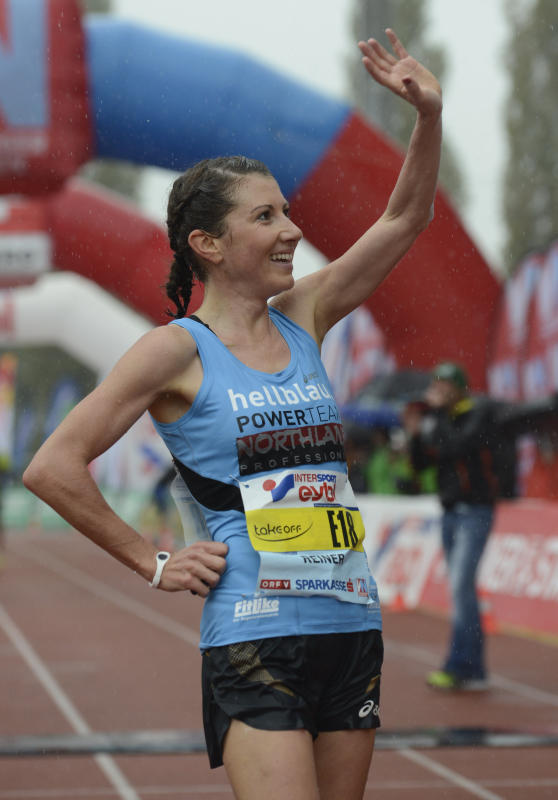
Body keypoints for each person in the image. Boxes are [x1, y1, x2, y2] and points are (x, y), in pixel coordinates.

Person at [23, 30, 442, 800]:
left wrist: (429, 117)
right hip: (255, 634)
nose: (292, 231)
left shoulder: (305, 314)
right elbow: (52, 467)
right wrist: (152, 562)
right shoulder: (173, 351)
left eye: (288, 212)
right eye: (266, 217)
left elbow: (405, 220)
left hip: (351, 624)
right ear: (208, 243)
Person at [403, 362, 499, 691]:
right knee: (461, 589)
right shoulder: (438, 419)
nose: (438, 390)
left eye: (445, 385)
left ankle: (460, 666)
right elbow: (421, 464)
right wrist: (416, 434)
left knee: (460, 586)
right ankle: (473, 668)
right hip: (450, 512)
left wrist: (435, 417)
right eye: (436, 384)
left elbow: (457, 446)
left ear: (459, 387)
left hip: (475, 510)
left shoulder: (477, 413)